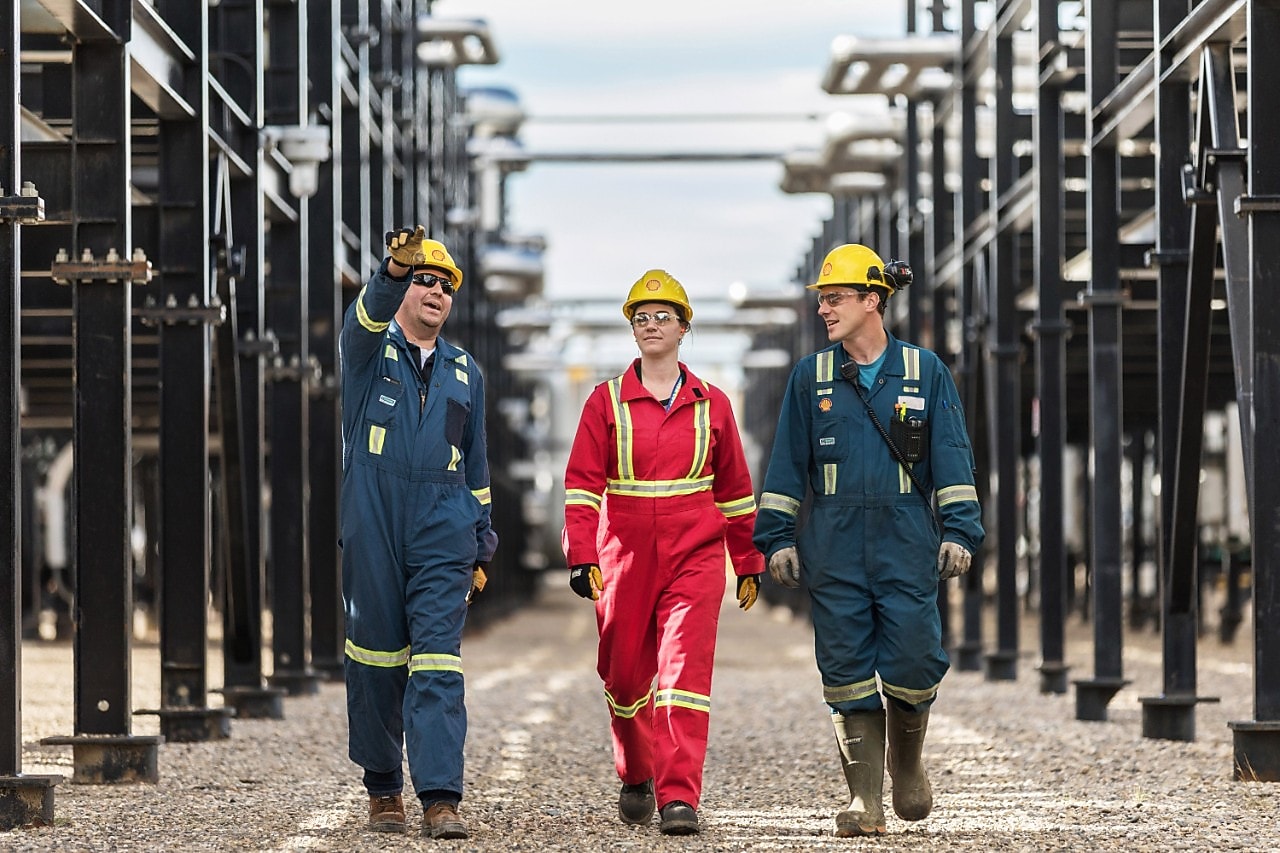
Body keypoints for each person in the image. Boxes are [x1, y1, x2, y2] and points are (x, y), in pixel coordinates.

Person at [752, 243, 983, 837]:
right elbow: (786, 466)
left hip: (906, 534)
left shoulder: (925, 372)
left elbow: (952, 456)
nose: (825, 310)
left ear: (872, 300)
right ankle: (864, 800)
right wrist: (776, 537)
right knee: (846, 665)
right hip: (833, 539)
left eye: (835, 299)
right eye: (823, 300)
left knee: (913, 656)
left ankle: (906, 765)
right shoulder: (813, 377)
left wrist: (959, 529)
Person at [561, 270, 765, 836]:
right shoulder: (605, 402)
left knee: (682, 675)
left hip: (694, 553)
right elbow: (581, 486)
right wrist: (583, 554)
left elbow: (735, 490)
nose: (651, 326)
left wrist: (747, 560)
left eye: (663, 317)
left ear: (683, 328)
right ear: (633, 330)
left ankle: (680, 797)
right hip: (624, 552)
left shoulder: (713, 404)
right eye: (641, 318)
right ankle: (636, 770)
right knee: (625, 677)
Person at [338, 226, 497, 840]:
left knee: (437, 659)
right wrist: (390, 272)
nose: (435, 291)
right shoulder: (366, 353)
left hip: (443, 526)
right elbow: (366, 314)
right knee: (376, 655)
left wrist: (481, 541)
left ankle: (439, 796)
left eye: (445, 285)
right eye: (424, 280)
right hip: (374, 517)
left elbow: (477, 467)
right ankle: (383, 789)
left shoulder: (466, 372)